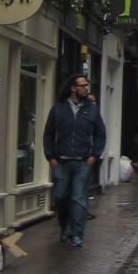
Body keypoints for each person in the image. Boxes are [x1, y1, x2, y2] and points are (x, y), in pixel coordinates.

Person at [42, 72, 107, 247]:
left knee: (78, 198)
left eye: (87, 85)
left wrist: (94, 156)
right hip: (61, 162)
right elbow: (48, 134)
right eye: (83, 85)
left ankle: (77, 234)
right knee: (60, 196)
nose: (86, 88)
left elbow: (101, 134)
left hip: (82, 162)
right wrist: (51, 157)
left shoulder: (91, 109)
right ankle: (65, 226)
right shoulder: (59, 108)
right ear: (73, 88)